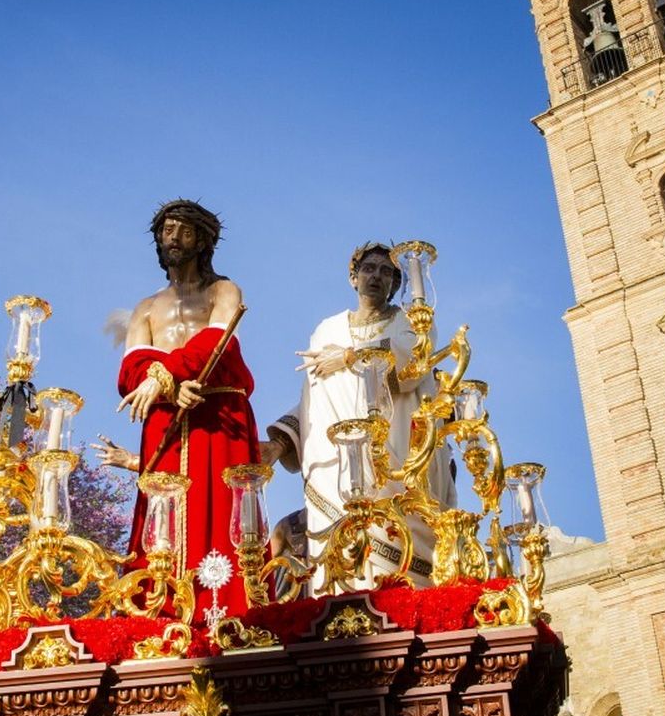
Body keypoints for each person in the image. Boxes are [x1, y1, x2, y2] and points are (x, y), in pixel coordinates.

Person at [91, 200, 258, 616]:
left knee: (226, 511)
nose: (173, 239)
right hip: (166, 415)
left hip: (219, 415)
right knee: (158, 517)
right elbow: (131, 368)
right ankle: (157, 609)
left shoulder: (223, 290)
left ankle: (227, 610)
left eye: (184, 231)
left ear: (202, 241)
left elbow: (218, 344)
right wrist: (167, 388)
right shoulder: (147, 307)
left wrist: (164, 377)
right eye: (167, 231)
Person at [262, 242, 456, 590]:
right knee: (339, 561)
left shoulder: (409, 322)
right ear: (353, 278)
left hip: (396, 462)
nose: (376, 277)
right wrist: (279, 444)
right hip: (336, 466)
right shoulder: (327, 331)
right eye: (369, 269)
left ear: (397, 285)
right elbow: (313, 400)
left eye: (386, 272)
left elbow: (411, 368)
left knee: (401, 557)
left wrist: (350, 357)